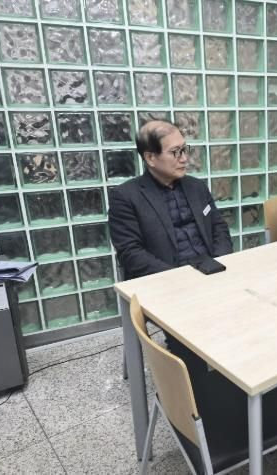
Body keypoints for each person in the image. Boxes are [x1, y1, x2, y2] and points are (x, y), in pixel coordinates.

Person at [108, 120, 233, 385]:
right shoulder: (126, 197)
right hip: (167, 283)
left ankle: (248, 380)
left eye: (185, 149)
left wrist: (220, 263)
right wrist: (179, 279)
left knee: (252, 313)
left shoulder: (196, 187)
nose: (184, 158)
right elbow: (130, 254)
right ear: (150, 158)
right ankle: (194, 398)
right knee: (191, 339)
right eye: (175, 152)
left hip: (210, 271)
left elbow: (219, 228)